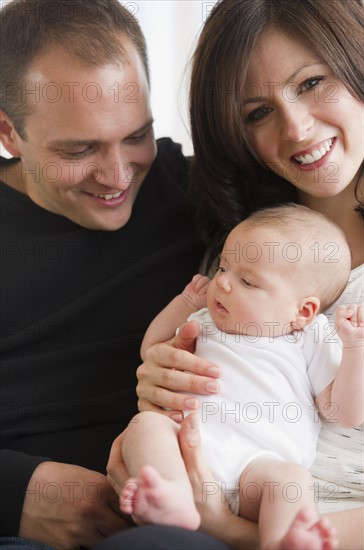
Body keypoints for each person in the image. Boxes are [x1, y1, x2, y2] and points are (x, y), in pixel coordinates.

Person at [109, 0, 364, 548]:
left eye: (313, 81)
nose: (296, 128)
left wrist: (228, 529)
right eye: (256, 112)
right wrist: (158, 385)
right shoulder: (237, 245)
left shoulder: (326, 330)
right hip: (210, 492)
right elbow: (177, 360)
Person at [0, 1, 232, 549]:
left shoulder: (197, 192)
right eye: (79, 149)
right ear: (9, 133)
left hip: (201, 511)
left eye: (135, 136)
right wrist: (16, 492)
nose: (118, 175)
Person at [118, 204, 363, 550]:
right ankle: (172, 495)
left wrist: (354, 351)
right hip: (189, 449)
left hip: (259, 467)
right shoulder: (205, 318)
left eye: (247, 281)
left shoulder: (310, 337)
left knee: (292, 481)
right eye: (223, 267)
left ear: (303, 311)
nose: (223, 283)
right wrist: (185, 301)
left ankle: (282, 541)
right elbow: (151, 349)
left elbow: (344, 413)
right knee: (145, 427)